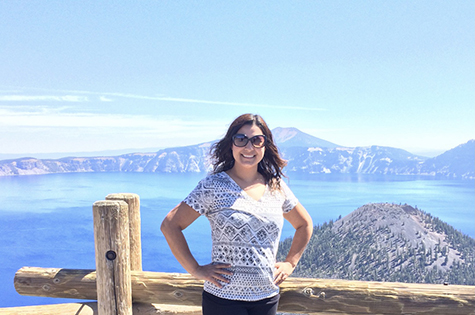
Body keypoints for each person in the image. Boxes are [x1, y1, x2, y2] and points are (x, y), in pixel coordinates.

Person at [161, 113, 313, 315]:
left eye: (257, 140)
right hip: (223, 300)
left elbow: (304, 224)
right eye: (241, 139)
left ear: (265, 146)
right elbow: (170, 225)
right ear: (231, 144)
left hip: (266, 298)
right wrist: (196, 269)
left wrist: (290, 263)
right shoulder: (213, 186)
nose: (249, 148)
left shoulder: (276, 186)